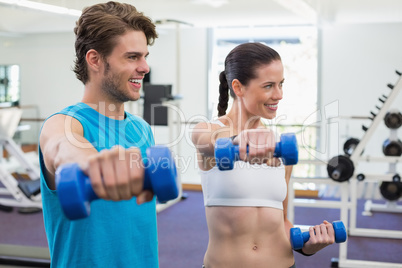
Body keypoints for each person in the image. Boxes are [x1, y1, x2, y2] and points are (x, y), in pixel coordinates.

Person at [191, 42, 335, 268]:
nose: (278, 95)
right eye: (268, 86)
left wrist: (308, 246)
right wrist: (239, 142)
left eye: (281, 84)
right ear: (238, 87)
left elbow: (283, 222)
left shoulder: (278, 147)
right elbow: (206, 142)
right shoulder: (209, 130)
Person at [39, 2, 160, 267]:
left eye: (145, 56)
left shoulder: (141, 128)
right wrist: (95, 165)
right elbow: (64, 148)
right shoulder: (63, 123)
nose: (145, 67)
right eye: (132, 57)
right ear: (95, 60)